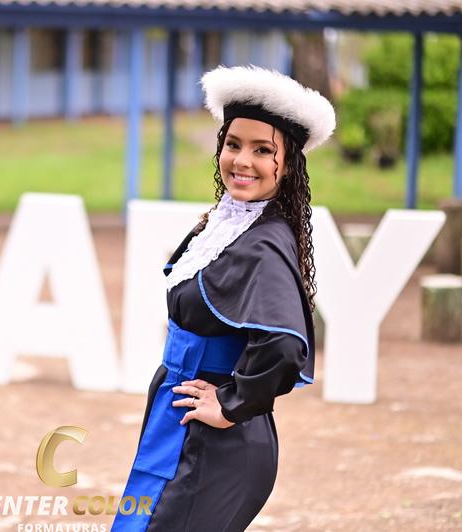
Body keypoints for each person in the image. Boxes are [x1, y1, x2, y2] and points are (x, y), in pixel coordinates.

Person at [112, 65, 335, 531]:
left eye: (262, 150)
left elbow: (284, 344)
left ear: (288, 164)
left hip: (217, 444)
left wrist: (231, 403)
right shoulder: (229, 223)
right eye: (233, 144)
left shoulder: (263, 243)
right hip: (183, 426)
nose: (242, 160)